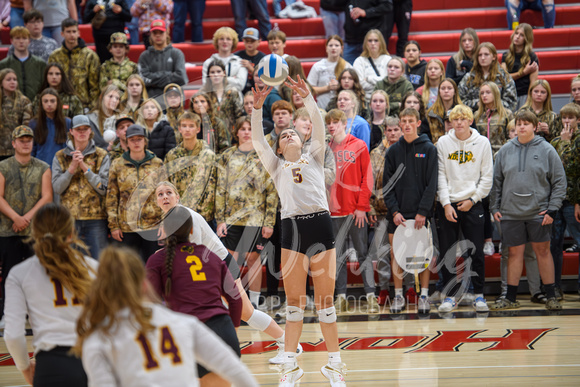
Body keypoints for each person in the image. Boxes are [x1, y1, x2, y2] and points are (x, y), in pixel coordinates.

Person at [252, 76, 346, 385]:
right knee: (294, 305)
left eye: (294, 132)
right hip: (291, 231)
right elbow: (256, 141)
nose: (290, 135)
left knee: (326, 304)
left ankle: (335, 365)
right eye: (284, 135)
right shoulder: (276, 166)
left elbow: (317, 124)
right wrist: (256, 109)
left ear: (302, 141)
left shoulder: (315, 157)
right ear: (278, 148)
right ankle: (290, 368)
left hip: (320, 225)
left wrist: (308, 99)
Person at [154, 181, 301, 366]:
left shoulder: (187, 216)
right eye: (160, 194)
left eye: (169, 192)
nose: (165, 197)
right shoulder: (169, 219)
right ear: (156, 201)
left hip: (220, 265)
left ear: (177, 197)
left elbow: (194, 251)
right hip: (207, 267)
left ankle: (288, 344)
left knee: (246, 313)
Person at [76, 245, 258, 387]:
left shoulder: (97, 339)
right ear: (145, 284)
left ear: (100, 289)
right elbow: (235, 369)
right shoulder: (184, 323)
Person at [147, 206, 246, 387]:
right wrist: (234, 331)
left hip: (187, 337)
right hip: (223, 335)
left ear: (164, 231)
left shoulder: (157, 260)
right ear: (192, 230)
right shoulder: (212, 257)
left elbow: (149, 305)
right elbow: (235, 298)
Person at [4, 203, 96, 386]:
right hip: (94, 361)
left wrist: (25, 367)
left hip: (51, 366)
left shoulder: (20, 273)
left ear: (35, 233)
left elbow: (13, 335)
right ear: (72, 231)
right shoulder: (94, 268)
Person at [490, 110, 565, 311]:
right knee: (514, 254)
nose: (522, 127)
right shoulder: (505, 150)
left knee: (543, 251)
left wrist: (552, 210)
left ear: (535, 126)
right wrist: (494, 206)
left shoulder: (547, 150)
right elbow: (496, 182)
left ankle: (551, 295)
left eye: (526, 124)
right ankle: (510, 297)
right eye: (519, 124)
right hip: (510, 213)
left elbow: (559, 182)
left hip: (538, 212)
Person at [435, 104, 493, 313]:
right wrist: (446, 204)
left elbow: (487, 178)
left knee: (475, 252)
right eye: (455, 119)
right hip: (448, 205)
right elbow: (440, 175)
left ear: (470, 121)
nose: (458, 122)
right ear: (450, 122)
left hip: (473, 203)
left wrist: (473, 199)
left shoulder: (482, 143)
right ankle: (450, 297)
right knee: (448, 253)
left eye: (463, 119)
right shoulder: (442, 142)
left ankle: (479, 295)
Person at [215, 116, 278, 308]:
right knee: (229, 259)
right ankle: (230, 300)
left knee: (253, 259)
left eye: (250, 128)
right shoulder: (226, 155)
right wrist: (220, 219)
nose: (246, 132)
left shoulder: (263, 155)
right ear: (236, 132)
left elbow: (271, 191)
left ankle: (254, 302)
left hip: (256, 218)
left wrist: (269, 221)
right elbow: (220, 188)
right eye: (242, 129)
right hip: (232, 217)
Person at [383, 108, 437, 314]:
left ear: (418, 123)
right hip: (397, 216)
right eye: (403, 121)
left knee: (423, 255)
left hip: (421, 215)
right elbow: (386, 186)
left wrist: (423, 212)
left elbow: (432, 184)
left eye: (410, 121)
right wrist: (395, 211)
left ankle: (423, 296)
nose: (406, 124)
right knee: (396, 254)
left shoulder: (429, 149)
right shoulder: (393, 151)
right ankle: (398, 296)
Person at [326, 108, 377, 314]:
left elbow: (368, 179)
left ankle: (371, 296)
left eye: (335, 122)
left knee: (363, 254)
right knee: (337, 256)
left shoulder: (359, 145)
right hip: (333, 212)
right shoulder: (325, 149)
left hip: (356, 211)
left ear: (344, 123)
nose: (331, 125)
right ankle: (341, 298)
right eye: (329, 122)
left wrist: (362, 207)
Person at [0, 126, 52, 322]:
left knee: (36, 275)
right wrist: (15, 217)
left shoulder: (43, 167)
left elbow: (47, 197)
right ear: (13, 143)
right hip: (8, 230)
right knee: (9, 275)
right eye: (21, 140)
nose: (25, 143)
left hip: (34, 231)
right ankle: (9, 314)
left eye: (28, 139)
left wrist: (25, 218)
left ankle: (34, 314)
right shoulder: (3, 167)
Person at [52, 115, 110, 260]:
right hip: (69, 219)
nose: (82, 132)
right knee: (70, 262)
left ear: (91, 131)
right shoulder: (60, 156)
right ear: (71, 131)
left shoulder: (102, 155)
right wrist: (71, 168)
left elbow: (104, 188)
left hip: (96, 218)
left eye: (85, 129)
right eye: (79, 129)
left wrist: (85, 168)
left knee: (98, 263)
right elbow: (57, 188)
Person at [106, 124, 164, 261]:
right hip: (126, 226)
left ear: (145, 141)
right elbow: (111, 197)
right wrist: (114, 225)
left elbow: (164, 195)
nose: (136, 142)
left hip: (152, 225)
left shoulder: (157, 163)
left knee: (153, 266)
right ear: (126, 142)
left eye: (139, 139)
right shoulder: (117, 164)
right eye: (132, 139)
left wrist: (164, 223)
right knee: (127, 268)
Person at [369, 116, 402, 305]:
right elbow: (369, 183)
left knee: (403, 251)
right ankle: (383, 288)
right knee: (382, 252)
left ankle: (408, 287)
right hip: (381, 209)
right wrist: (371, 207)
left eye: (395, 129)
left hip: (403, 211)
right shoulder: (375, 153)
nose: (392, 133)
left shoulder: (406, 150)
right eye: (388, 130)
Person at [549, 103, 580, 301]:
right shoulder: (554, 142)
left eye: (571, 118)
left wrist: (566, 143)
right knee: (554, 246)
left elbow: (571, 166)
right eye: (564, 118)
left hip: (574, 200)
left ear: (578, 120)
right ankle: (555, 288)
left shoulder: (574, 141)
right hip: (556, 201)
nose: (567, 121)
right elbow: (552, 171)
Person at [165, 112, 217, 223]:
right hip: (178, 213)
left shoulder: (208, 155)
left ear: (198, 129)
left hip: (203, 215)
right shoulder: (172, 155)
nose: (187, 129)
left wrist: (204, 211)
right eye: (184, 126)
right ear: (179, 129)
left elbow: (212, 186)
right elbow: (167, 185)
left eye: (191, 126)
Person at [48, 18, 101, 112]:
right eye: (68, 32)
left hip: (83, 106)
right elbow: (50, 84)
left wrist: (92, 108)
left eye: (74, 31)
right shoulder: (55, 56)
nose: (71, 35)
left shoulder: (90, 55)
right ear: (62, 34)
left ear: (78, 33)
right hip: (59, 105)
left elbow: (95, 86)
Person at [458, 42, 517, 113]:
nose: (482, 58)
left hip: (499, 118)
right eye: (480, 55)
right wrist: (477, 104)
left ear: (494, 57)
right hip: (474, 118)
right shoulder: (469, 77)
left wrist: (492, 105)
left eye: (486, 54)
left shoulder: (503, 76)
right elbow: (460, 100)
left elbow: (511, 102)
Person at [138, 19, 188, 98]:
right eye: (155, 33)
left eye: (161, 32)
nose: (158, 35)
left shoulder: (177, 54)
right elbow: (143, 80)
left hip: (173, 101)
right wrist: (168, 74)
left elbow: (181, 78)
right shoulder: (144, 56)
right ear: (150, 34)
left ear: (167, 33)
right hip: (152, 103)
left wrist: (154, 79)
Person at [0, 26, 46, 101]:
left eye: (24, 38)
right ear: (11, 41)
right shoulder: (3, 65)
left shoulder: (40, 64)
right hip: (11, 108)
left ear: (29, 41)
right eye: (17, 38)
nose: (21, 41)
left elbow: (45, 87)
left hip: (36, 106)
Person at [307, 35, 351, 110]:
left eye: (336, 45)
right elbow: (309, 89)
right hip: (322, 108)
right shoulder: (318, 66)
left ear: (341, 48)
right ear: (326, 48)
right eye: (330, 45)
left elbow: (354, 88)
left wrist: (339, 86)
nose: (333, 48)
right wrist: (327, 88)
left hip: (342, 110)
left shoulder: (347, 66)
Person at [501, 23, 539, 109]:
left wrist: (528, 102)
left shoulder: (532, 57)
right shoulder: (506, 56)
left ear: (526, 38)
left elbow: (533, 83)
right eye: (516, 33)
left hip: (524, 95)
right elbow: (504, 78)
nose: (517, 37)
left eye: (521, 35)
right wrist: (523, 72)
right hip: (509, 94)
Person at [30, 87, 71, 165]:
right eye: (45, 101)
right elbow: (32, 149)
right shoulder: (34, 123)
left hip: (62, 167)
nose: (49, 104)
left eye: (52, 101)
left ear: (57, 102)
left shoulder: (67, 122)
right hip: (40, 167)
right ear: (41, 103)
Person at [341, 0, 391, 64]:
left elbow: (387, 6)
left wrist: (366, 12)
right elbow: (336, 4)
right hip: (351, 38)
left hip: (371, 39)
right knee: (347, 71)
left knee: (371, 71)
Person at [201, 59, 244, 132]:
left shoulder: (232, 92)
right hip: (209, 134)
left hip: (230, 133)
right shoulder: (204, 93)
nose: (216, 75)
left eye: (218, 71)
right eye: (212, 72)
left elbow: (239, 115)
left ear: (224, 73)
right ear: (209, 75)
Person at [474, 81, 514, 156]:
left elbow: (512, 136)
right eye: (482, 93)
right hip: (481, 154)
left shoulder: (506, 114)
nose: (484, 95)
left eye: (488, 92)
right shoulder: (477, 115)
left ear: (495, 94)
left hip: (501, 154)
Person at [202, 27, 247, 93]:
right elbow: (207, 85)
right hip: (214, 100)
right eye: (221, 39)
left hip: (235, 101)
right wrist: (232, 79)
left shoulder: (240, 62)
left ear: (233, 42)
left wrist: (217, 79)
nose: (225, 41)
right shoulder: (208, 62)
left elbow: (240, 85)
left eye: (228, 39)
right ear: (217, 42)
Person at [0, 68, 32, 159]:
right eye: (8, 80)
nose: (12, 82)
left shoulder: (24, 101)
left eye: (15, 79)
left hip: (16, 150)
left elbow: (26, 127)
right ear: (1, 82)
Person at [353, 29, 391, 102]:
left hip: (384, 100)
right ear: (366, 43)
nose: (373, 43)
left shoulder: (388, 59)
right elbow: (360, 84)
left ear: (381, 42)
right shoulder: (359, 61)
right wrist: (380, 82)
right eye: (370, 41)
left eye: (376, 40)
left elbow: (388, 82)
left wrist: (369, 79)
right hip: (364, 100)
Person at [426, 78, 462, 144]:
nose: (446, 91)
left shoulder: (464, 113)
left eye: (449, 88)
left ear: (455, 92)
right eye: (443, 88)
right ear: (439, 92)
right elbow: (425, 137)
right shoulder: (430, 113)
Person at [86, 84, 122, 149]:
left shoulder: (122, 120)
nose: (114, 100)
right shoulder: (89, 119)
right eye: (110, 96)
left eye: (117, 98)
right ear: (101, 97)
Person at [234, 27, 266, 95]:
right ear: (243, 41)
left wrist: (251, 69)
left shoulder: (264, 58)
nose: (249, 43)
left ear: (259, 41)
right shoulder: (237, 56)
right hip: (240, 90)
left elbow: (266, 78)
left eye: (252, 41)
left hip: (258, 91)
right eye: (247, 41)